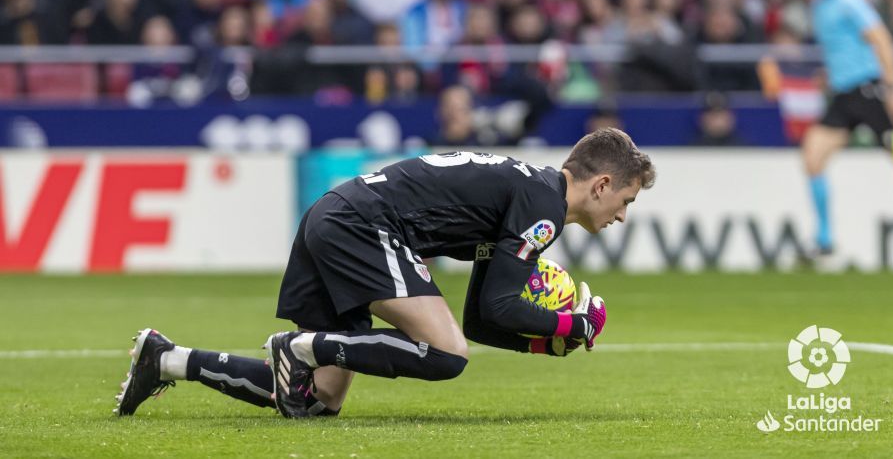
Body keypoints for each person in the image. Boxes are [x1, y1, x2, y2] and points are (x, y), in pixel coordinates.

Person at [115, 128, 656, 418]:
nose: (622, 215)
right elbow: (490, 315)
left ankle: (166, 359)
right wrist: (571, 327)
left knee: (314, 398)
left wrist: (542, 345)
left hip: (337, 214)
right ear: (602, 184)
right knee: (444, 358)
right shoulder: (543, 207)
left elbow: (481, 317)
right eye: (626, 199)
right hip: (362, 224)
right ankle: (299, 346)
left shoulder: (531, 192)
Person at [802, 0, 893, 257]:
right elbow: (841, 48)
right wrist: (829, 74)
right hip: (843, 95)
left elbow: (880, 39)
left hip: (869, 89)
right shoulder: (819, 6)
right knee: (812, 156)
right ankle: (825, 239)